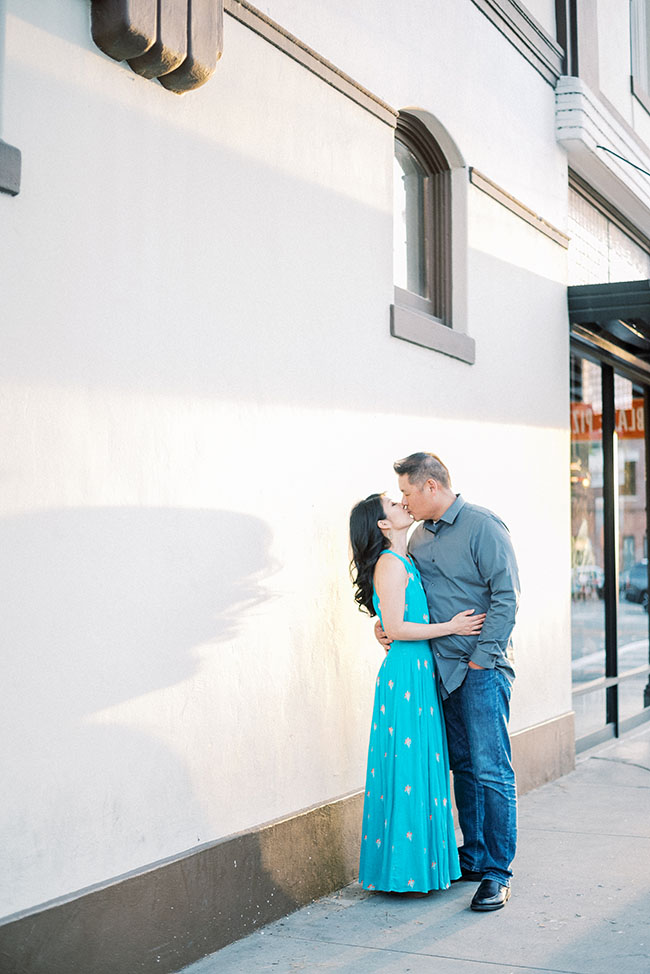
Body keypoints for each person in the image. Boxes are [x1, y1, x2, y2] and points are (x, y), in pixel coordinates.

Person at [377, 453, 520, 912]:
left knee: (492, 769)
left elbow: (507, 596)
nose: (404, 501)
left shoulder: (483, 526)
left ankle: (498, 872)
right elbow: (407, 596)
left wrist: (482, 661)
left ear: (432, 487)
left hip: (482, 669)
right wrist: (385, 626)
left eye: (407, 493)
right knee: (463, 766)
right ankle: (475, 855)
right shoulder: (417, 537)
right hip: (439, 673)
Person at [349, 492, 486, 895]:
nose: (402, 504)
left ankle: (421, 867)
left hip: (418, 673)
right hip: (406, 675)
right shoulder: (391, 565)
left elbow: (390, 624)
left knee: (421, 765)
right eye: (393, 504)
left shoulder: (405, 559)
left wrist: (386, 628)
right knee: (408, 769)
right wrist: (452, 627)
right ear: (382, 524)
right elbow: (397, 628)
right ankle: (403, 872)